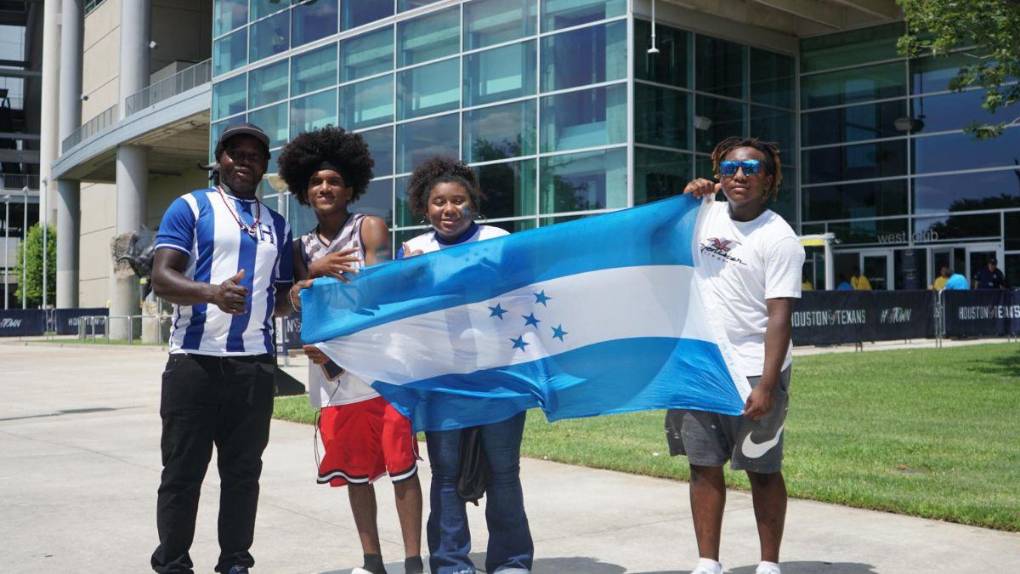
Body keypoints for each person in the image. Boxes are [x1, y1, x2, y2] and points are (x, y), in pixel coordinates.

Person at [149, 123, 294, 574]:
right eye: (236, 153)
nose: (245, 160)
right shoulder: (190, 206)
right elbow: (161, 277)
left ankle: (235, 563)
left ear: (264, 165)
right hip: (194, 364)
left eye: (255, 154)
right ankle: (173, 564)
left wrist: (309, 292)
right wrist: (212, 293)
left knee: (243, 475)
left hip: (253, 368)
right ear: (220, 160)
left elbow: (281, 299)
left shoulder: (278, 225)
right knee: (181, 476)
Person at [279, 126, 424, 574]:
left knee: (402, 466)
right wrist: (311, 277)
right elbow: (290, 304)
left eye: (334, 181)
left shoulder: (370, 226)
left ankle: (414, 561)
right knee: (355, 472)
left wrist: (324, 296)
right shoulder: (300, 247)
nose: (325, 188)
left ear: (350, 188)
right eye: (316, 182)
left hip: (381, 367)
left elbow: (380, 295)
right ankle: (372, 561)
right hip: (334, 375)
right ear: (305, 190)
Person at [669, 137, 804, 574]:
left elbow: (779, 317)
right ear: (717, 174)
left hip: (752, 370)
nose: (739, 175)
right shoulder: (702, 214)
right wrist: (689, 196)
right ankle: (708, 562)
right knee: (703, 466)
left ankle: (768, 564)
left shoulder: (779, 237)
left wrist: (766, 385)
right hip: (702, 366)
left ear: (769, 178)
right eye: (729, 168)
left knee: (762, 469)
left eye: (751, 168)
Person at [400, 157, 534, 574]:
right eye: (439, 202)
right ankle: (451, 563)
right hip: (442, 382)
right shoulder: (414, 251)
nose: (449, 209)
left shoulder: (498, 240)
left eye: (458, 200)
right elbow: (401, 311)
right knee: (445, 475)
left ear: (472, 205)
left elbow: (521, 297)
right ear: (425, 209)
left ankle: (511, 561)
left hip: (499, 377)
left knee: (504, 473)